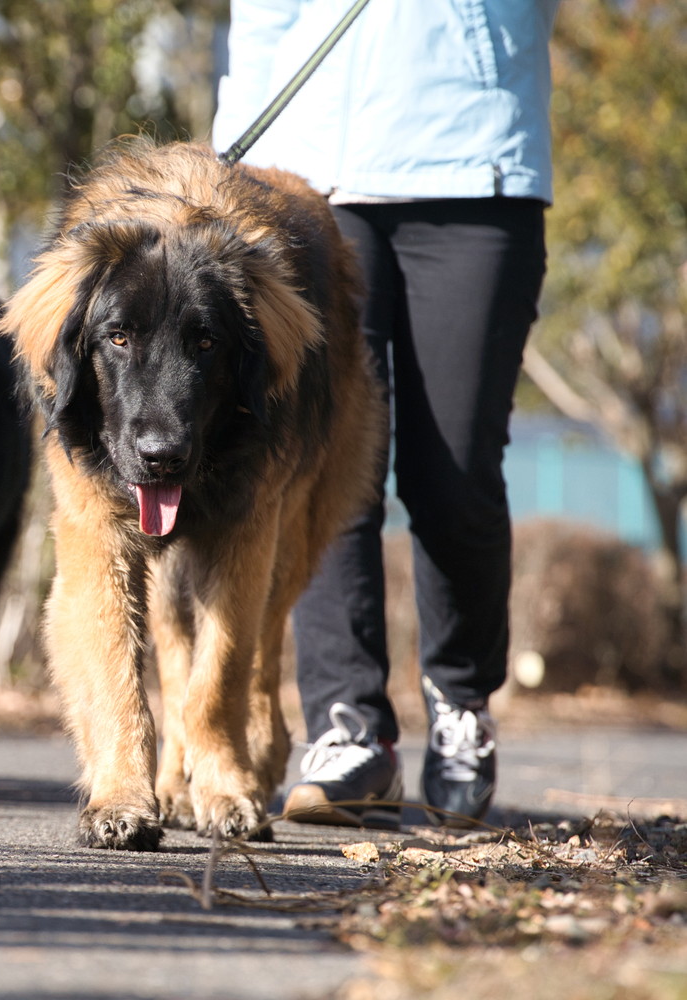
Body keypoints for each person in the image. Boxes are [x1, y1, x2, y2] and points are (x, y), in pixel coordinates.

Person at [213, 0, 559, 828]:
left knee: (454, 467)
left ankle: (461, 701)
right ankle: (349, 726)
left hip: (474, 165)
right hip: (305, 180)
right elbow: (263, 18)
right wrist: (232, 169)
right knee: (328, 469)